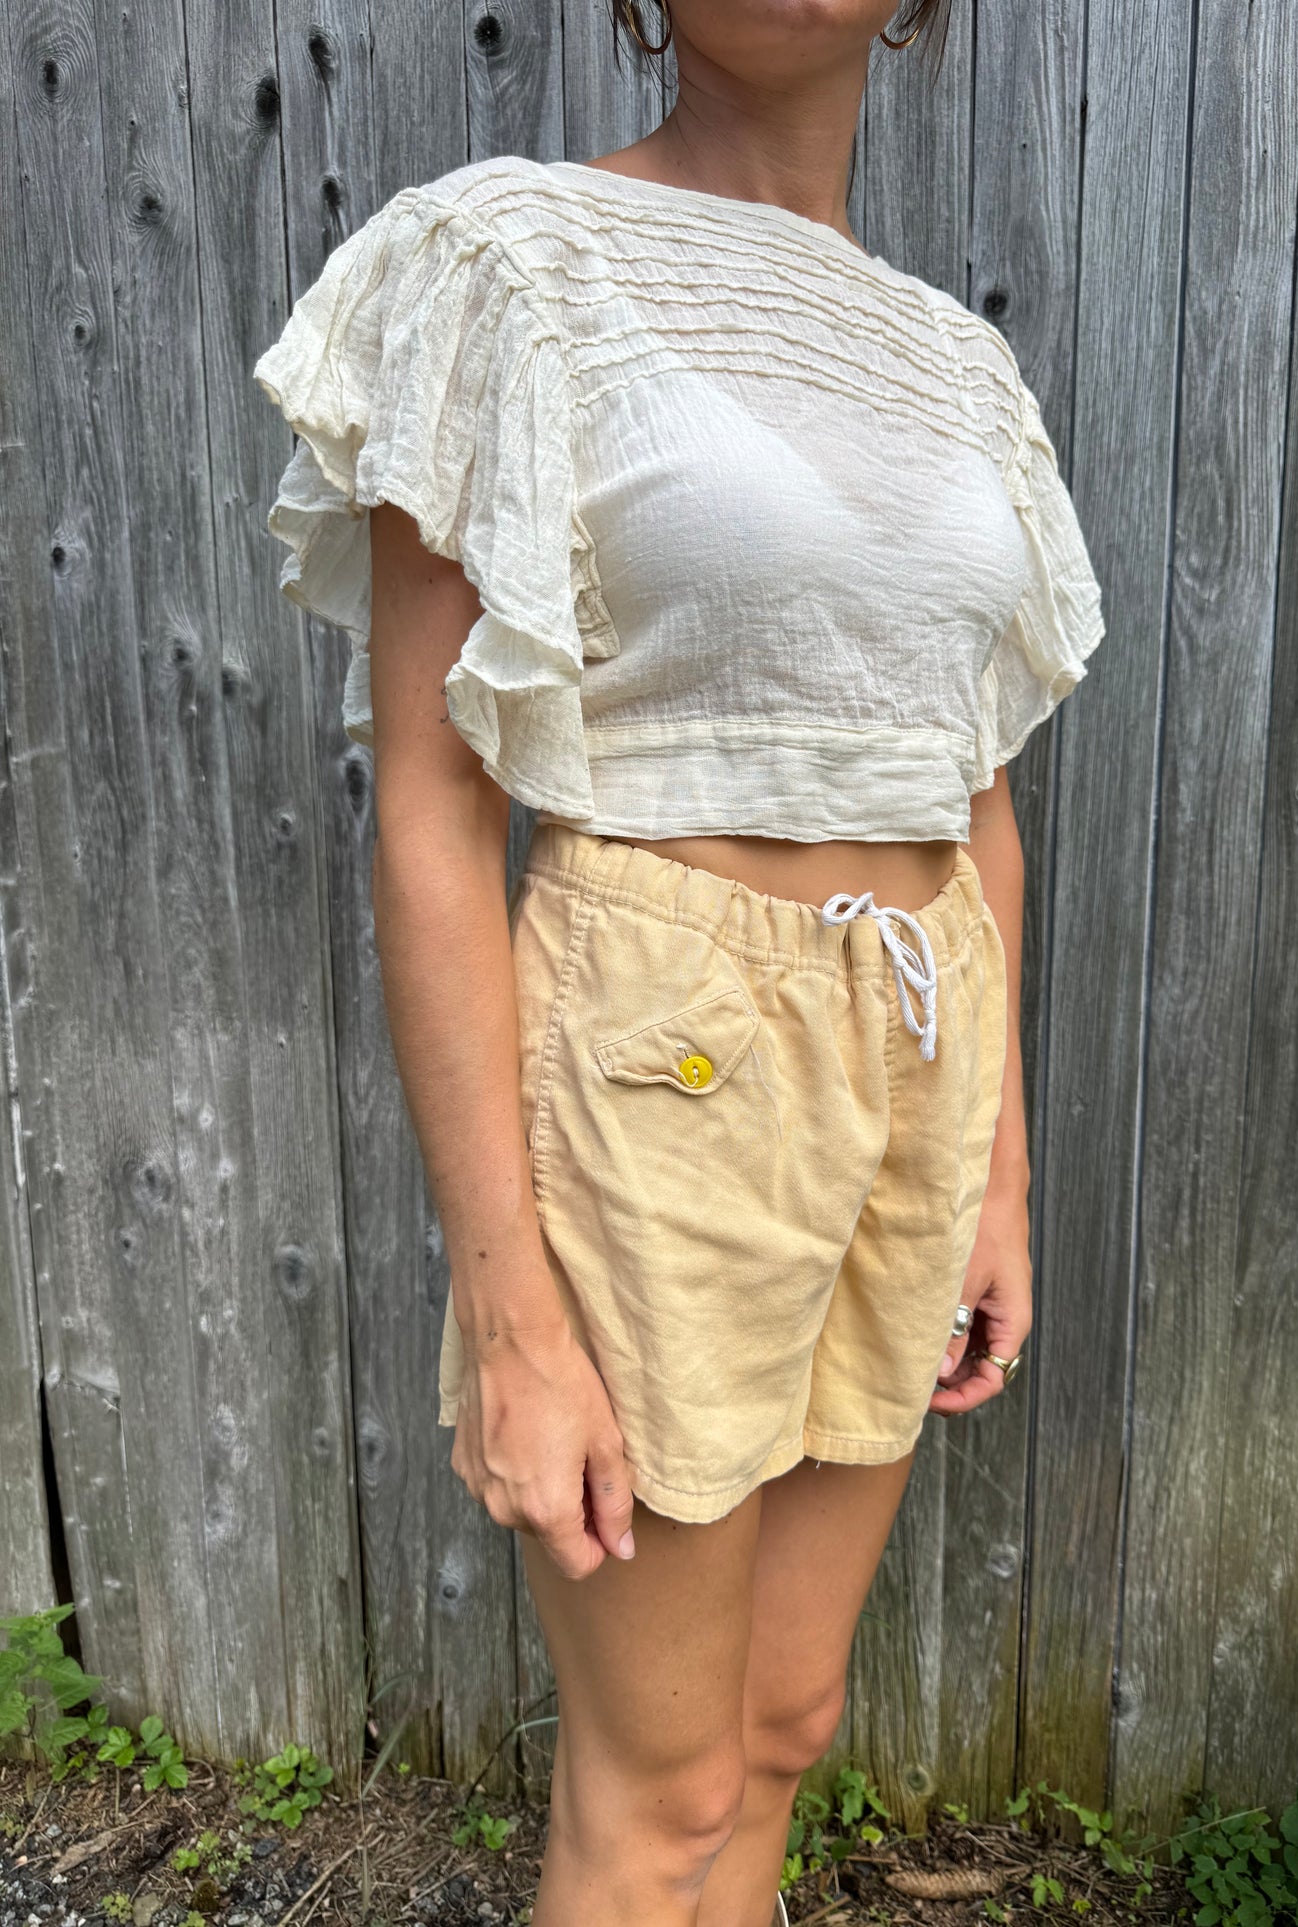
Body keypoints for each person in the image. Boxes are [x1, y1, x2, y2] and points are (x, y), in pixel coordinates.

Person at [253, 2, 1105, 1920]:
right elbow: (433, 810)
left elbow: (966, 794)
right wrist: (513, 1318)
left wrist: (996, 1170)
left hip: (917, 1044)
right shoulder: (508, 259)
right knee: (661, 1790)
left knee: (784, 1726)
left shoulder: (954, 361)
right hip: (665, 1057)